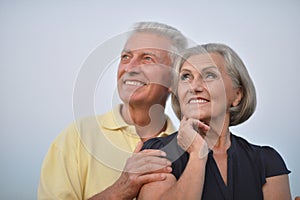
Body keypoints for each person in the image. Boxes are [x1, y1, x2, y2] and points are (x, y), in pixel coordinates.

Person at [38, 21, 187, 200]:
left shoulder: (189, 150)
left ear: (173, 81)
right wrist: (120, 190)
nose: (129, 68)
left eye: (148, 58)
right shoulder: (78, 137)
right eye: (126, 56)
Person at [139, 43, 292, 199]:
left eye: (210, 75)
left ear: (237, 95)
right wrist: (197, 155)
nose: (194, 86)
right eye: (186, 76)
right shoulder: (157, 153)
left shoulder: (266, 161)